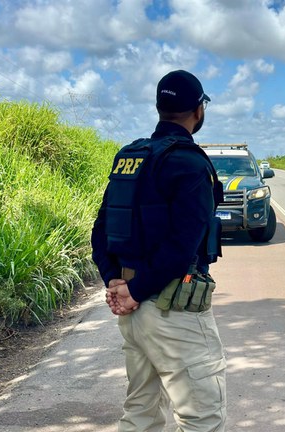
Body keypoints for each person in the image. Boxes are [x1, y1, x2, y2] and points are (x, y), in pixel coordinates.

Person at [91, 70, 226, 432]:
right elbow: (182, 248)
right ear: (198, 111)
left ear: (159, 107)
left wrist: (117, 283)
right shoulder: (190, 163)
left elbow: (100, 232)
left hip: (132, 315)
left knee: (140, 413)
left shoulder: (129, 157)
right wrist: (133, 291)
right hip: (172, 310)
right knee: (202, 417)